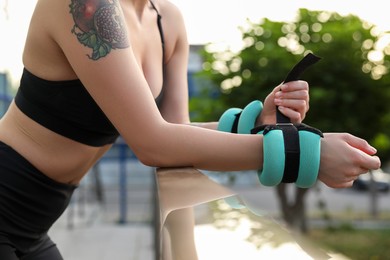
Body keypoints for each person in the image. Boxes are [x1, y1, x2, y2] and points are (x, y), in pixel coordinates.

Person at [0, 0, 381, 259]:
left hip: (35, 223)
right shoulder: (83, 6)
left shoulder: (166, 20)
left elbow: (173, 133)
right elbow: (152, 143)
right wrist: (304, 153)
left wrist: (261, 125)